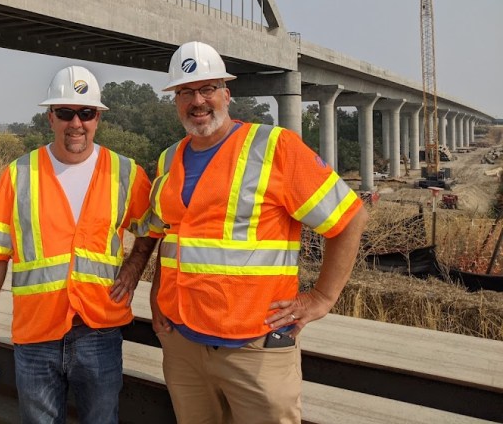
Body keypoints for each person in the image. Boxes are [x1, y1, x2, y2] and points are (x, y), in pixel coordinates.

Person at [149, 41, 368, 424]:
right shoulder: (169, 158)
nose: (197, 100)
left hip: (256, 347)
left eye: (207, 89)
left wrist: (322, 297)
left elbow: (349, 218)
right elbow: (172, 236)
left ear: (226, 94)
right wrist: (156, 298)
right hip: (183, 344)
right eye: (185, 92)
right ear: (175, 101)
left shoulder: (274, 147)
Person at [0, 65, 157, 424]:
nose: (76, 123)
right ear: (50, 117)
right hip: (36, 334)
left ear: (97, 117)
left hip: (99, 331)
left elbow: (151, 227)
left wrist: (133, 267)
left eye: (86, 113)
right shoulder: (19, 174)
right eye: (66, 112)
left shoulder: (125, 173)